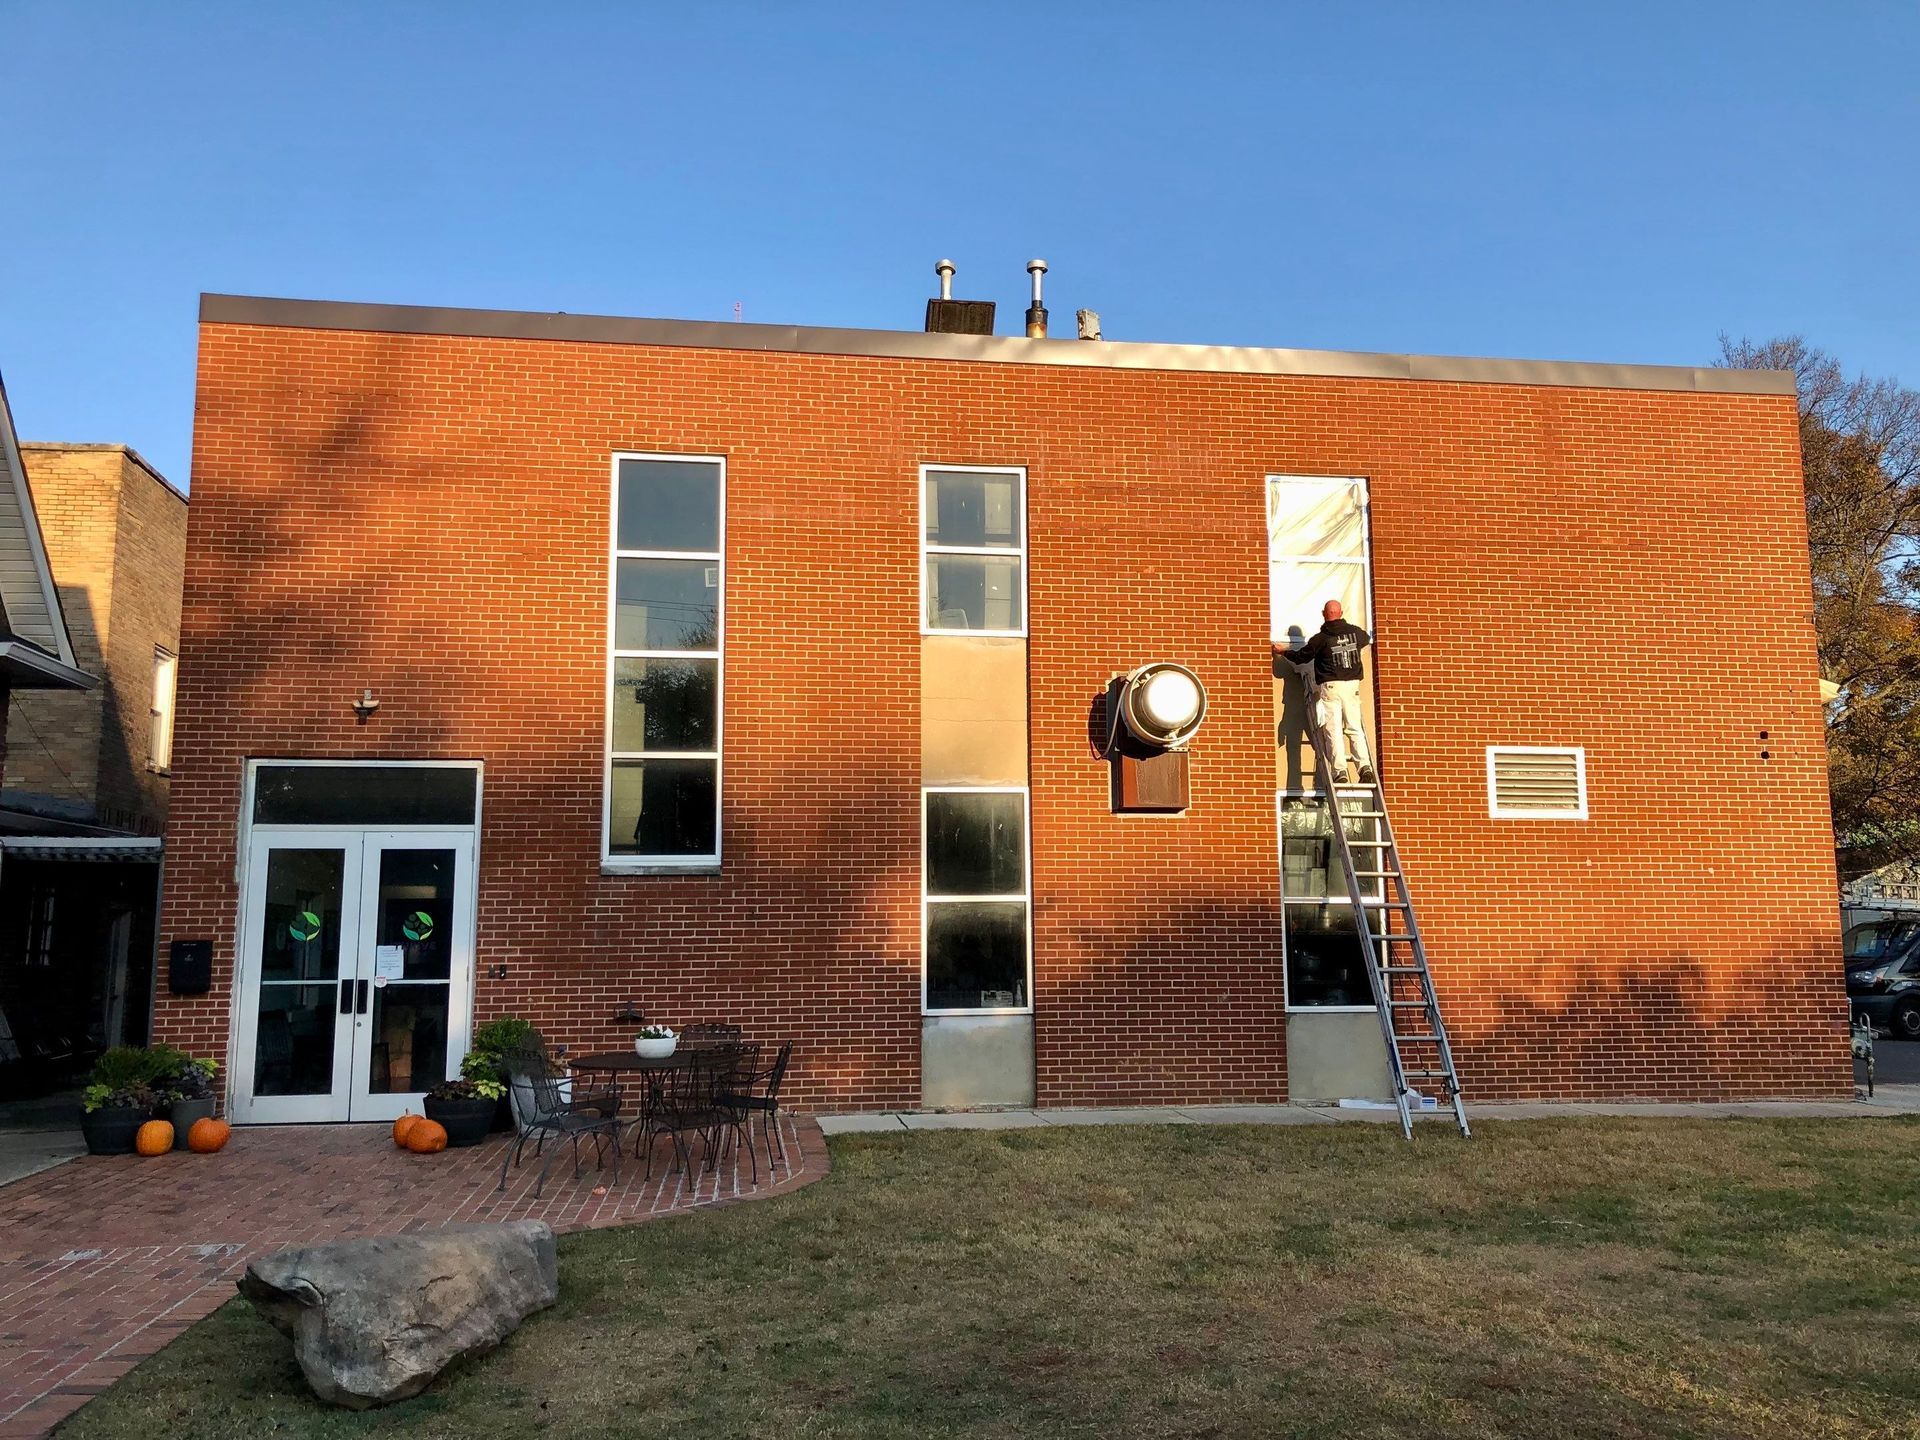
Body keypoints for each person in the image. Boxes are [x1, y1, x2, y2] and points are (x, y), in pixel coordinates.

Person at [1278, 601, 1375, 785]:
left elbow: (1302, 657)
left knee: (1333, 730)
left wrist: (1284, 652)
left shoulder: (1320, 639)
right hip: (1352, 686)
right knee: (1354, 728)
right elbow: (1364, 639)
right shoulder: (1356, 633)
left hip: (1331, 688)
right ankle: (1365, 767)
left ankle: (1340, 772)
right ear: (1341, 612)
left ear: (1324, 614)